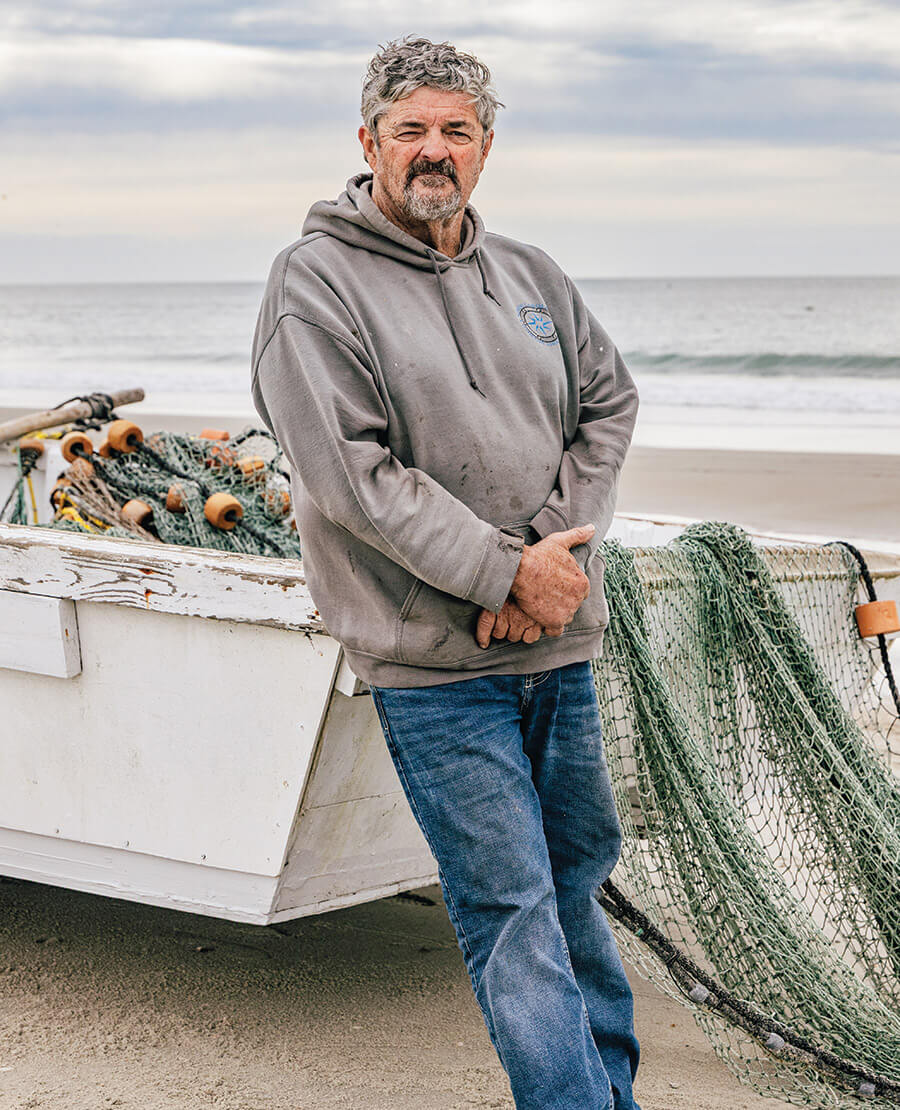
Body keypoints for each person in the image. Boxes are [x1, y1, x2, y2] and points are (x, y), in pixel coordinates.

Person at [250, 35, 641, 1110]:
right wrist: (500, 576)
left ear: (487, 144)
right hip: (436, 670)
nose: (434, 150)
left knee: (576, 887)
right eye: (411, 129)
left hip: (560, 648)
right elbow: (354, 477)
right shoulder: (313, 284)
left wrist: (547, 562)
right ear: (368, 140)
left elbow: (608, 405)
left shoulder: (531, 276)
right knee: (512, 909)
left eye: (456, 131)